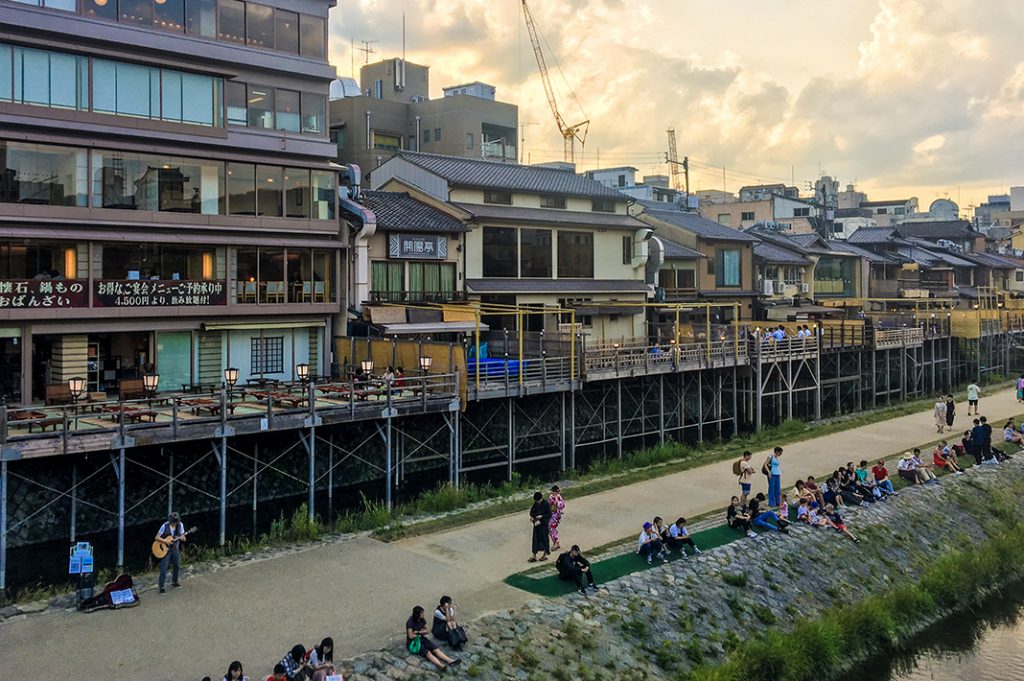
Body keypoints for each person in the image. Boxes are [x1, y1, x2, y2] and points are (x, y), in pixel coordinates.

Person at [406, 605, 460, 671]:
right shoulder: (410, 622)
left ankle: (450, 661)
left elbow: (427, 630)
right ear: (418, 614)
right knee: (427, 653)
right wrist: (420, 633)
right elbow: (411, 636)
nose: (423, 614)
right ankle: (441, 666)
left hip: (421, 638)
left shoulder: (422, 620)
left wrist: (419, 632)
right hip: (414, 642)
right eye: (422, 613)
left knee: (435, 649)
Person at [154, 512, 187, 594]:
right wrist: (165, 541)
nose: (175, 523)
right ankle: (161, 586)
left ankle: (174, 582)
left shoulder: (180, 525)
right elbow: (157, 537)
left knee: (177, 565)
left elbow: (183, 537)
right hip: (165, 549)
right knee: (164, 568)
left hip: (174, 548)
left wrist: (183, 538)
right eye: (173, 522)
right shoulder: (164, 526)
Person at [528, 492, 551, 562]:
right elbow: (531, 512)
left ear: (541, 499)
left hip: (544, 524)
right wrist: (533, 517)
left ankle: (545, 554)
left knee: (544, 539)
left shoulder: (546, 504)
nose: (537, 502)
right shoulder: (535, 504)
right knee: (535, 539)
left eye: (538, 501)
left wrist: (542, 516)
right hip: (537, 524)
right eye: (536, 501)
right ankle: (534, 555)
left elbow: (549, 514)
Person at [548, 485, 565, 551]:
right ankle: (557, 542)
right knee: (551, 529)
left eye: (553, 491)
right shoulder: (551, 497)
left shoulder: (559, 498)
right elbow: (549, 503)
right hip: (551, 515)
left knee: (552, 529)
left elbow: (561, 505)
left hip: (556, 516)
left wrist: (556, 500)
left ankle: (555, 543)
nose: (552, 492)